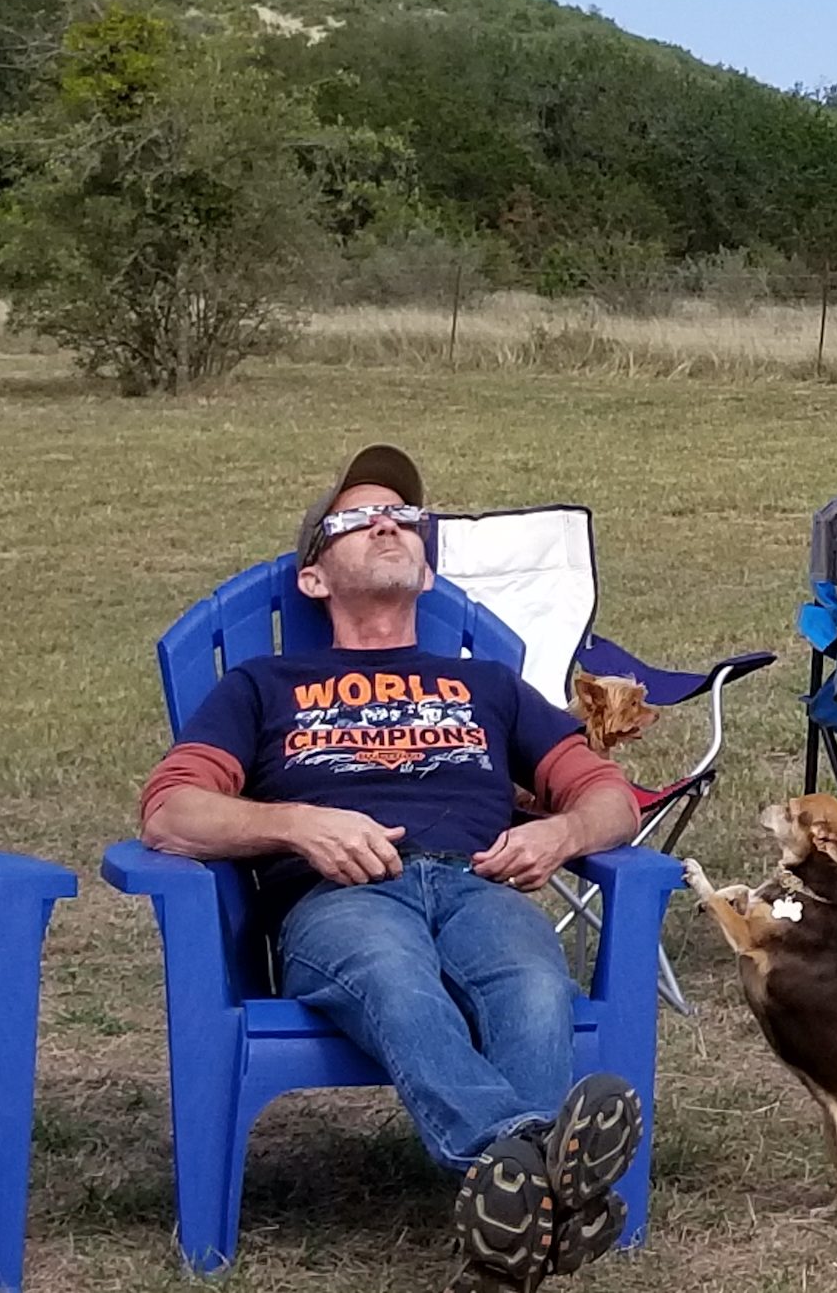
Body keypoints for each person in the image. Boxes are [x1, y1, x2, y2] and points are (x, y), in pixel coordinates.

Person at [138, 444, 652, 1291]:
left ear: (425, 560)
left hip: (477, 880)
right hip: (340, 897)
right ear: (313, 577)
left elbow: (610, 798)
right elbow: (169, 810)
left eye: (404, 517)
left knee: (529, 977)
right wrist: (298, 822)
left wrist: (558, 836)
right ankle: (528, 1160)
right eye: (357, 516)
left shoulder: (486, 682)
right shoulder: (266, 684)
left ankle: (509, 1227)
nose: (387, 522)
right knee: (392, 971)